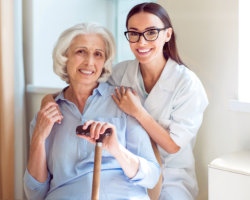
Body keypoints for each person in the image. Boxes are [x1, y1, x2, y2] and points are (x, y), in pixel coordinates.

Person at [41, 3, 208, 200]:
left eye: (151, 32)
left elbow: (173, 146)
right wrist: (48, 100)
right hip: (127, 170)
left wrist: (138, 112)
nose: (142, 42)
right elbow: (84, 86)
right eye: (134, 33)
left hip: (172, 174)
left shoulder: (187, 84)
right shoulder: (121, 73)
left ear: (168, 35)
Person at [24, 22, 161, 200]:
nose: (89, 62)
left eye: (98, 54)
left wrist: (116, 149)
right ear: (65, 57)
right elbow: (34, 194)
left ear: (104, 62)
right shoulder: (47, 114)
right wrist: (38, 138)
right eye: (81, 51)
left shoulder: (123, 101)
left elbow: (151, 176)